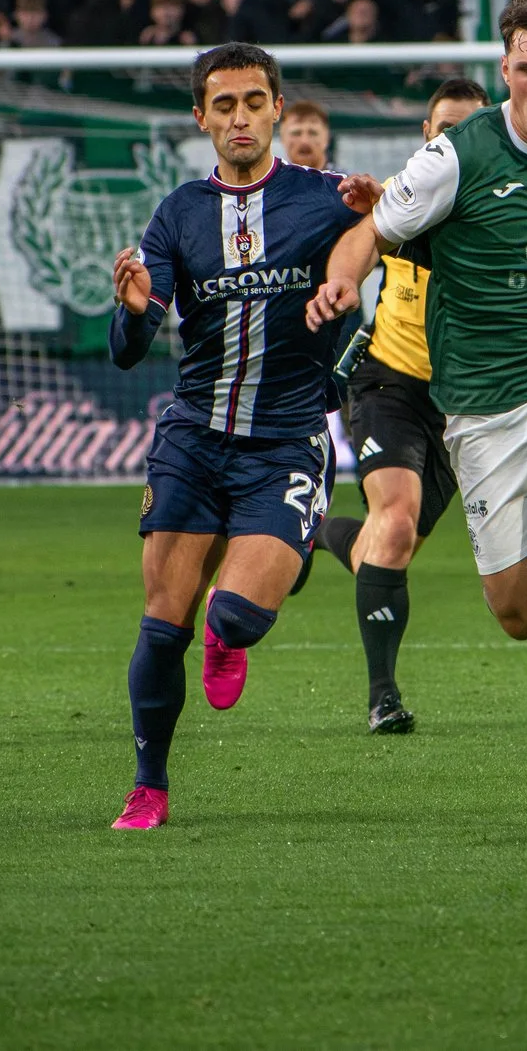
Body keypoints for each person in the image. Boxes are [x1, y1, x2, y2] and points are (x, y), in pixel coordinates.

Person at [309, 0, 527, 750]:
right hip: (483, 410)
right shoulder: (456, 155)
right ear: (506, 68)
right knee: (521, 614)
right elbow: (370, 230)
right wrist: (343, 282)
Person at [104, 43, 381, 830]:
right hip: (194, 437)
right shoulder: (180, 213)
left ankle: (231, 632)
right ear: (201, 117)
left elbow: (409, 228)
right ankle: (149, 784)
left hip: (287, 441)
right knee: (163, 622)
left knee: (232, 618)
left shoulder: (329, 198)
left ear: (277, 110)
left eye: (253, 102)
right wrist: (129, 308)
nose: (239, 118)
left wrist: (376, 209)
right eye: (222, 105)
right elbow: (129, 347)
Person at [330, 78, 490, 733]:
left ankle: (310, 532)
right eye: (444, 126)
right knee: (393, 529)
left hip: (463, 406)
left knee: (385, 548)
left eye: (467, 129)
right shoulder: (407, 193)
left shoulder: (497, 207)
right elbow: (390, 237)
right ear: (427, 132)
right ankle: (383, 697)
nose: (453, 138)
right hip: (388, 384)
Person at [280, 98, 331, 170]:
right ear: (283, 138)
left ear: (326, 137)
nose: (304, 141)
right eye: (296, 133)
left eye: (313, 133)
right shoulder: (271, 180)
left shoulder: (346, 180)